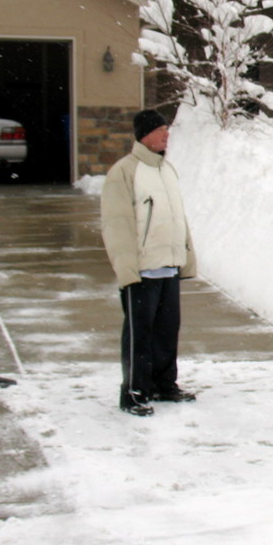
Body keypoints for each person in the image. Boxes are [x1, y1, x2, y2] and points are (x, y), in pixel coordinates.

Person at [101, 109, 198, 416]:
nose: (166, 135)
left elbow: (177, 217)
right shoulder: (125, 172)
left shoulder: (166, 170)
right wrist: (126, 267)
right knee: (139, 334)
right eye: (160, 130)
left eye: (167, 130)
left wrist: (186, 255)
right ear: (145, 135)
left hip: (168, 265)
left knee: (167, 330)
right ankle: (133, 392)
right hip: (142, 269)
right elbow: (117, 224)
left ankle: (163, 385)